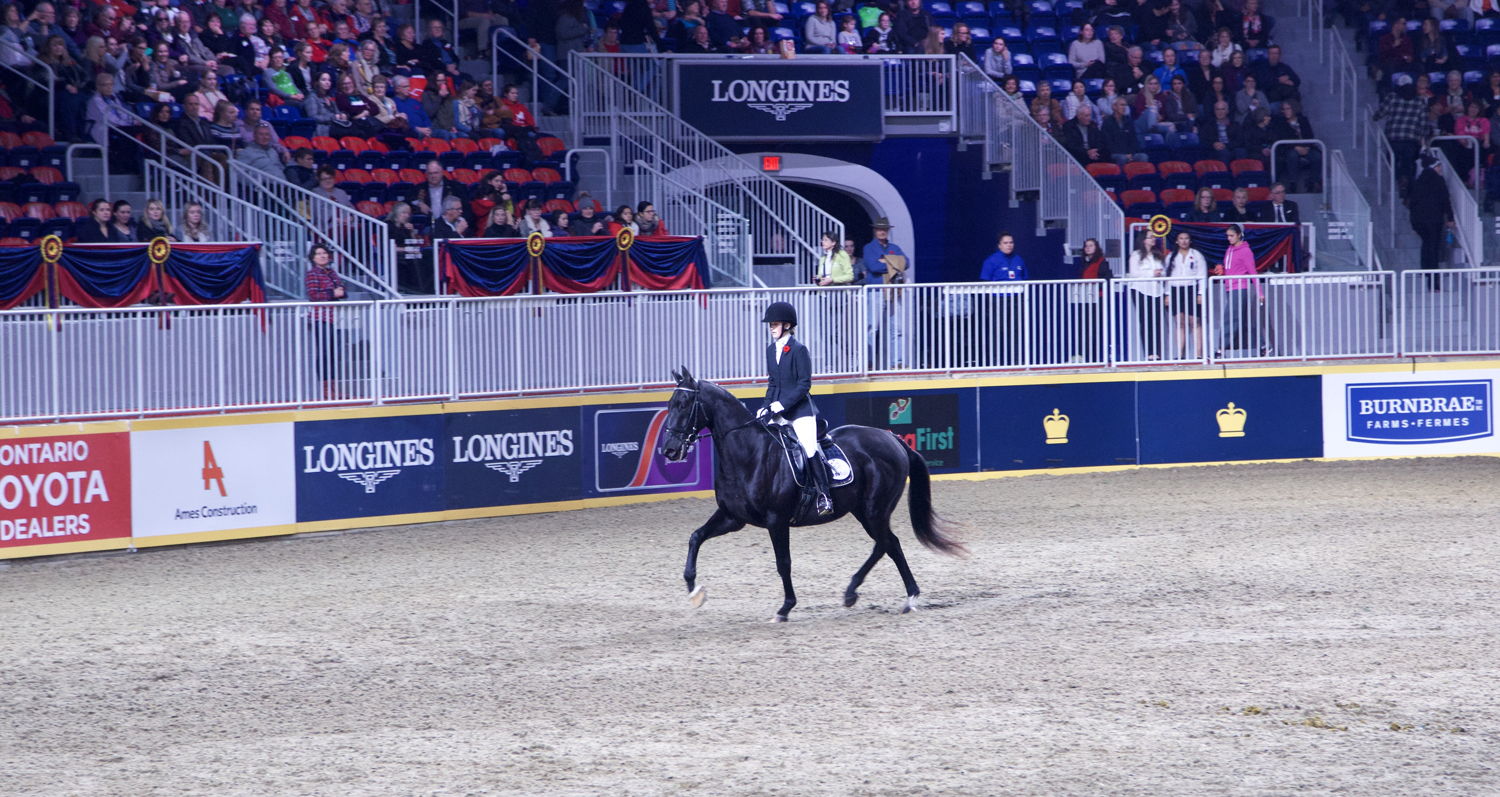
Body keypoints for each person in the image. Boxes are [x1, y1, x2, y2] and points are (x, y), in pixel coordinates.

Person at [755, 301, 831, 516]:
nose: (771, 328)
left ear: (787, 325)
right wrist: (765, 407)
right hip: (777, 411)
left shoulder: (798, 349)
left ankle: (824, 495)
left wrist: (781, 404)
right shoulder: (771, 350)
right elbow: (772, 384)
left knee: (808, 446)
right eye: (770, 324)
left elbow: (804, 385)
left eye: (775, 324)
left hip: (800, 411)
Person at [305, 243, 348, 399]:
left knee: (332, 353)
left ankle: (333, 388)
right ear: (313, 258)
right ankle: (325, 389)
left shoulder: (331, 272)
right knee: (323, 353)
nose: (322, 256)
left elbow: (343, 291)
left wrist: (336, 292)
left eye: (324, 253)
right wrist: (332, 293)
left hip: (332, 317)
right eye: (318, 254)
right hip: (320, 317)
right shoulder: (312, 274)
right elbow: (314, 295)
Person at [1216, 223, 1264, 355]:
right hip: (1229, 288)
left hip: (1239, 288)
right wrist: (1222, 270)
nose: (1229, 238)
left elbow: (1253, 272)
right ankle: (1263, 345)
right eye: (1227, 236)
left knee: (1229, 318)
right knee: (1243, 320)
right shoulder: (1229, 249)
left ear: (1239, 235)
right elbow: (1231, 268)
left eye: (1231, 236)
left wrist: (1259, 292)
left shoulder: (1245, 251)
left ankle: (1220, 349)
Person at [1408, 153, 1454, 287]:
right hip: (1433, 219)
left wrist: (1412, 222)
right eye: (1439, 166)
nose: (1441, 169)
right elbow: (1445, 200)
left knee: (1426, 244)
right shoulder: (1438, 180)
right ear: (1434, 167)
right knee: (1433, 247)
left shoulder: (1418, 180)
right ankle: (1434, 283)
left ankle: (1425, 271)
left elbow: (1412, 203)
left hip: (1418, 220)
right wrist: (1450, 217)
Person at [1163, 229, 1206, 359]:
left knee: (1195, 321)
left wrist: (1200, 293)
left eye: (1186, 238)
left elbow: (1202, 275)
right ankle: (1180, 355)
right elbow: (1167, 277)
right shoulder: (1171, 257)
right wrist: (1167, 294)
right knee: (1180, 322)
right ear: (1176, 241)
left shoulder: (1196, 255)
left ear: (1190, 240)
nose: (1184, 241)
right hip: (1176, 290)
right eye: (1181, 238)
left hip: (1191, 288)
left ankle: (1199, 355)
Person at [1125, 232, 1166, 360]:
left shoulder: (1157, 255)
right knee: (1146, 321)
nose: (1153, 239)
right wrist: (1151, 273)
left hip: (1157, 291)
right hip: (1141, 290)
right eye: (1150, 237)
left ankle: (1157, 353)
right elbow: (1133, 273)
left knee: (1157, 322)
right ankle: (1149, 353)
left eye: (1154, 237)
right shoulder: (1136, 255)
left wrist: (1160, 274)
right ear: (1143, 240)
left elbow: (1164, 271)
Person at [1068, 238, 1110, 363]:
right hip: (1084, 299)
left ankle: (1094, 356)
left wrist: (1095, 288)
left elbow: (1107, 279)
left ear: (1096, 247)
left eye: (1091, 246)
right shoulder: (1082, 262)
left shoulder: (1102, 262)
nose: (1088, 248)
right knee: (1083, 327)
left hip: (1097, 299)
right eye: (1086, 246)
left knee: (1095, 328)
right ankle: (1081, 354)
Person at [387, 202, 430, 294]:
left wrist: (412, 232)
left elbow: (413, 243)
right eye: (404, 213)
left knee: (427, 256)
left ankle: (426, 288)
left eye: (408, 213)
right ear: (396, 214)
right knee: (413, 260)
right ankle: (416, 289)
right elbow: (391, 247)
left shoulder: (405, 227)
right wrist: (407, 250)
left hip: (408, 252)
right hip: (395, 254)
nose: (407, 216)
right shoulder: (388, 225)